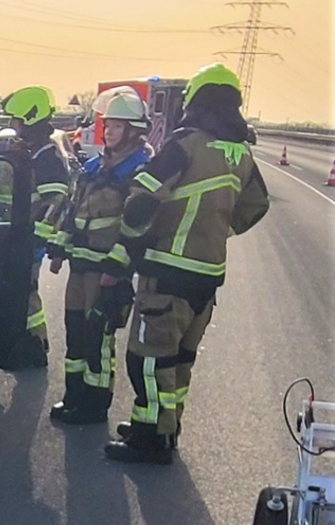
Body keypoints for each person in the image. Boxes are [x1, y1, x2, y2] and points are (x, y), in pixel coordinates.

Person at [104, 63, 269, 464]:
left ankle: (150, 439)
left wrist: (126, 246)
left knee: (146, 357)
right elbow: (257, 205)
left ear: (196, 100)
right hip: (207, 276)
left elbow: (143, 197)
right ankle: (165, 425)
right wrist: (217, 230)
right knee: (179, 359)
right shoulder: (241, 153)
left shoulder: (187, 143)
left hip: (168, 270)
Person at [46, 88, 152, 425]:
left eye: (117, 127)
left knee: (98, 339)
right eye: (108, 126)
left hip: (105, 269)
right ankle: (73, 396)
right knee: (75, 331)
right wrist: (59, 249)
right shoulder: (94, 166)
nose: (108, 132)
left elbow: (136, 227)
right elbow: (75, 209)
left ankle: (94, 405)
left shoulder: (140, 171)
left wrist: (116, 269)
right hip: (80, 264)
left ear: (135, 131)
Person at [0, 85, 72, 367]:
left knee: (26, 291)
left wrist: (35, 239)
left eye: (16, 120)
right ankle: (21, 341)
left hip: (28, 238)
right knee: (21, 290)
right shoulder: (35, 153)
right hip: (18, 235)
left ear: (30, 119)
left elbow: (54, 202)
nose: (13, 127)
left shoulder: (47, 157)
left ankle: (35, 345)